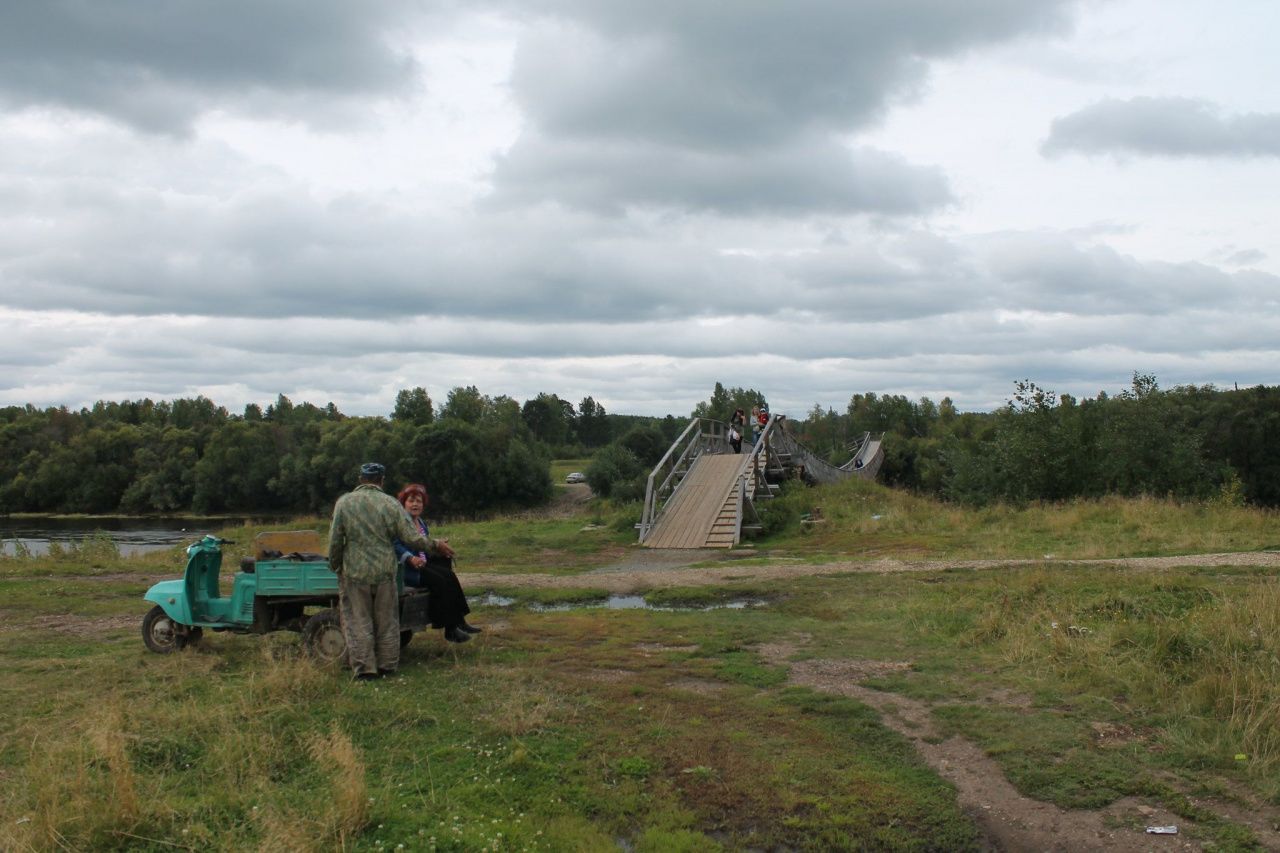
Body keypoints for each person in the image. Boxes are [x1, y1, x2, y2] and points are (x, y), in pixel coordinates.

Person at [328, 462, 455, 680]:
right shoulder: (390, 504)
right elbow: (411, 537)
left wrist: (336, 564)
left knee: (359, 621)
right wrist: (435, 545)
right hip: (385, 571)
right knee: (387, 621)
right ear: (382, 480)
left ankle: (365, 670)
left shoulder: (344, 503)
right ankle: (387, 665)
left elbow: (335, 540)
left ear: (361, 479)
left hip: (355, 573)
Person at [394, 483, 481, 644]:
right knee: (440, 581)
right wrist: (409, 558)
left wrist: (439, 547)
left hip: (423, 564)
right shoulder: (401, 522)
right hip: (409, 569)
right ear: (403, 503)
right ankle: (450, 629)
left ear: (423, 504)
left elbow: (425, 546)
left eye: (419, 501)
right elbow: (395, 545)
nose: (415, 504)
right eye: (411, 501)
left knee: (450, 576)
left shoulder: (421, 523)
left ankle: (460, 621)